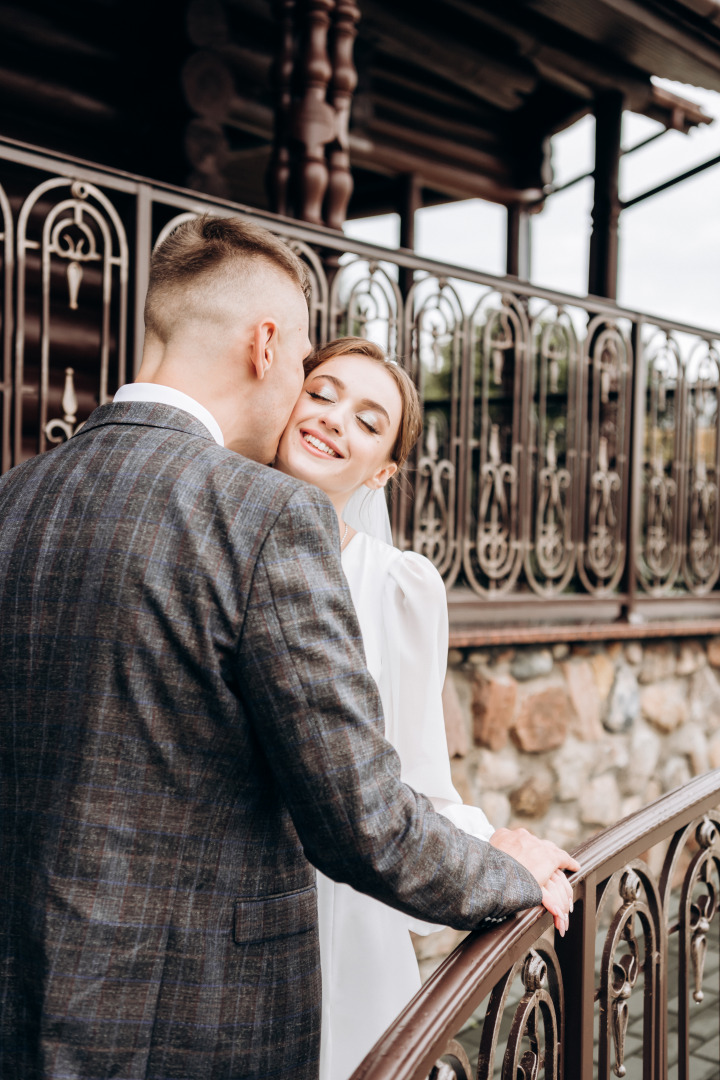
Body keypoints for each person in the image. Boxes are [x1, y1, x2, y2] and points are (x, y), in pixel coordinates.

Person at [0, 215, 578, 1080]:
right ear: (266, 346)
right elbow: (364, 824)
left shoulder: (16, 495)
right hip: (187, 1022)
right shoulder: (264, 515)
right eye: (308, 363)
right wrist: (511, 874)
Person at [275, 337, 576, 1079]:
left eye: (369, 420)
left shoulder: (400, 587)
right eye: (322, 393)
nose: (335, 418)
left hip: (341, 911)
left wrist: (502, 848)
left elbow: (419, 780)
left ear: (383, 470)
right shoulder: (202, 534)